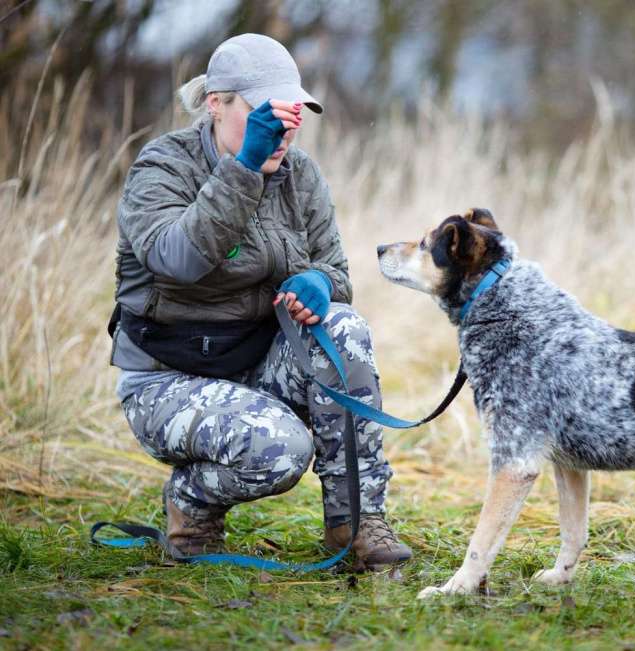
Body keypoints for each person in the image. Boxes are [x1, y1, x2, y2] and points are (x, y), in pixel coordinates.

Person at [110, 33, 411, 570]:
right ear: (215, 103)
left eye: (292, 112)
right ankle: (191, 502)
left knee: (343, 327)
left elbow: (337, 274)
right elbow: (174, 259)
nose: (283, 130)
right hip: (166, 380)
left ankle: (356, 521)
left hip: (258, 366)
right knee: (282, 452)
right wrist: (243, 169)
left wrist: (319, 283)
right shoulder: (162, 168)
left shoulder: (302, 177)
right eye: (263, 113)